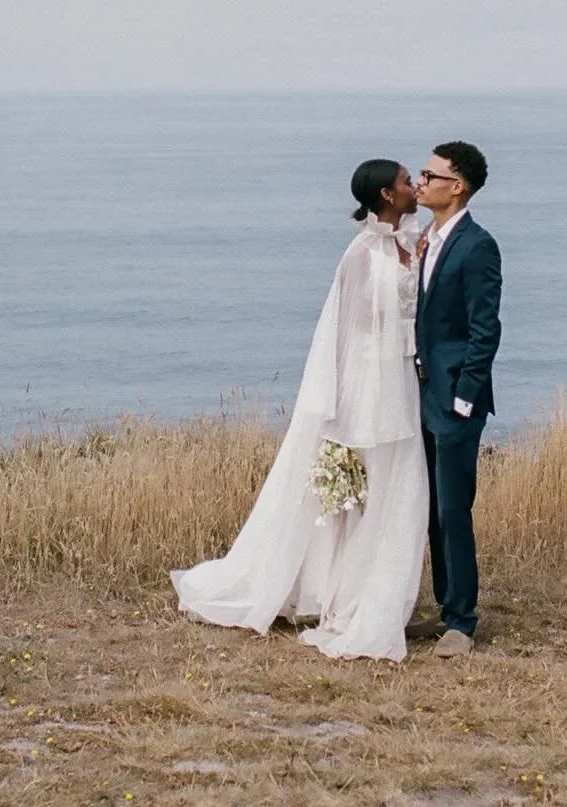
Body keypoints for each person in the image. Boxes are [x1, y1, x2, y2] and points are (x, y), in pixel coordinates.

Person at [171, 159, 430, 663]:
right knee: (357, 496)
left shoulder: (410, 243)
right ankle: (341, 596)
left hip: (402, 382)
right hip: (369, 387)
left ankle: (374, 593)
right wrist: (336, 411)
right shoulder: (360, 255)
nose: (414, 186)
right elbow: (341, 336)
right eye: (405, 181)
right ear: (386, 195)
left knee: (396, 489)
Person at [413, 142, 502, 657]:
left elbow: (484, 328)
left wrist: (465, 398)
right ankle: (446, 607)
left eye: (430, 174)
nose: (420, 182)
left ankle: (463, 623)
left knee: (453, 507)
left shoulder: (477, 245)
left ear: (457, 185)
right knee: (430, 509)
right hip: (422, 393)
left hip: (454, 403)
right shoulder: (428, 238)